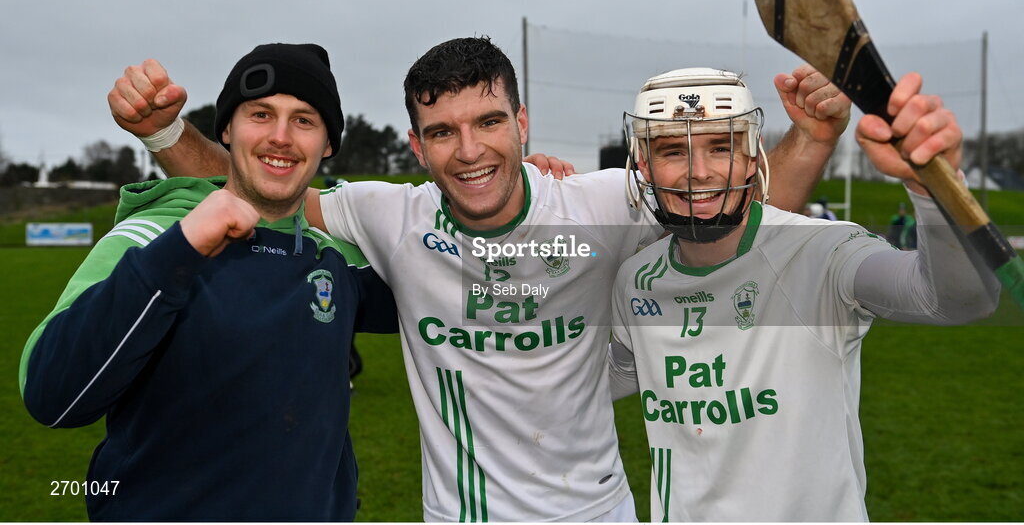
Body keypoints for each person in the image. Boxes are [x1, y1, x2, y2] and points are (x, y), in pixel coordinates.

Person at [111, 37, 850, 521]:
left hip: (597, 513)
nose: (469, 151)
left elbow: (735, 212)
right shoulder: (389, 217)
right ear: (416, 145)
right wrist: (166, 134)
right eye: (442, 132)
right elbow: (261, 188)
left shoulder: (597, 203)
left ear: (522, 122)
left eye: (489, 123)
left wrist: (812, 136)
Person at [19, 44, 398, 521]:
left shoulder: (338, 253)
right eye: (261, 114)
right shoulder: (152, 234)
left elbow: (474, 298)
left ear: (327, 144)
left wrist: (520, 207)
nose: (280, 136)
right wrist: (179, 252)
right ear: (226, 129)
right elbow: (53, 396)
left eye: (304, 120)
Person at [607, 67, 1000, 521]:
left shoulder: (822, 252)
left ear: (753, 157)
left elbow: (956, 300)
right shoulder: (636, 279)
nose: (699, 172)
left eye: (721, 146)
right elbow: (599, 377)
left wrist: (932, 185)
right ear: (642, 165)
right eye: (673, 150)